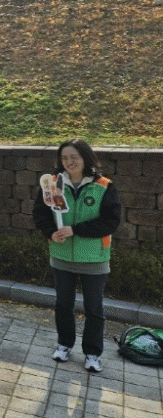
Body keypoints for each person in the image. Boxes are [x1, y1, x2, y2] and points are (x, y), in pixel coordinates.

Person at [33, 138, 121, 373]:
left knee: (94, 309)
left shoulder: (104, 186)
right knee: (63, 305)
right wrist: (51, 232)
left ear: (85, 158)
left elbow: (111, 222)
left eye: (74, 157)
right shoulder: (52, 184)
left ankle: (92, 353)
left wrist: (76, 230)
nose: (69, 162)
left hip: (94, 258)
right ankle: (64, 345)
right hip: (61, 256)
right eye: (64, 158)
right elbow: (40, 214)